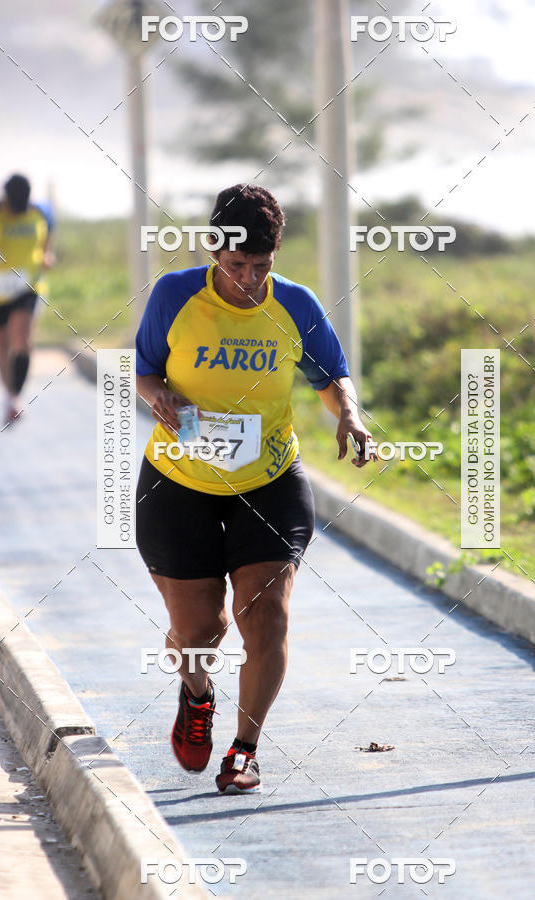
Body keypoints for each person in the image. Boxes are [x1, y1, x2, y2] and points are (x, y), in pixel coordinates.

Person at [135, 184, 374, 794]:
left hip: (268, 481)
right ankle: (197, 693)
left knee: (264, 617)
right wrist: (158, 394)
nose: (246, 279)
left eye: (260, 267)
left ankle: (245, 751)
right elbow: (144, 369)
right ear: (214, 248)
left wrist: (348, 413)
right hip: (179, 480)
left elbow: (331, 375)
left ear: (276, 256)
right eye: (236, 265)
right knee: (199, 631)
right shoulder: (174, 295)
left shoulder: (295, 305)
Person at [0, 174, 54, 425]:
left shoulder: (40, 213)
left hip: (27, 286)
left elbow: (48, 241)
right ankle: (9, 394)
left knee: (22, 338)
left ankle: (16, 397)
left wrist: (48, 255)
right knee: (2, 344)